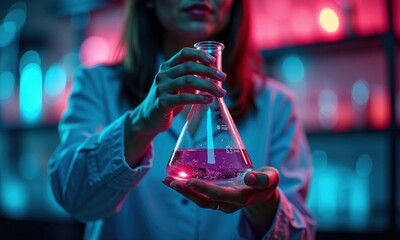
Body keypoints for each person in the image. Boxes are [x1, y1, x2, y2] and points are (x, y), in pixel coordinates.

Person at [48, 0, 316, 239]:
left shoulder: (276, 104)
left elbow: (301, 234)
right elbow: (73, 198)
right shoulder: (96, 84)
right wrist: (143, 120)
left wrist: (264, 202)